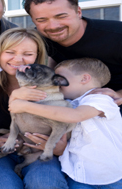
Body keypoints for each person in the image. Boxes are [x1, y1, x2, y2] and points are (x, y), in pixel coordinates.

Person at [9, 58, 122, 188]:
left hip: (111, 175)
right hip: (78, 174)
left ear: (84, 79)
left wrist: (25, 106)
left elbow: (76, 116)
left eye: (61, 81)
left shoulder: (101, 99)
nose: (57, 84)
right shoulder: (70, 103)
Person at [0, 27, 69, 189]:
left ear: (37, 56)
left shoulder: (50, 83)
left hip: (39, 152)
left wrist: (62, 146)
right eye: (10, 52)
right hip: (1, 152)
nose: (18, 59)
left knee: (45, 183)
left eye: (28, 54)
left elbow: (68, 119)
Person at [23, 0, 122, 108]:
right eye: (42, 20)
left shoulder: (117, 35)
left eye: (61, 16)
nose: (53, 26)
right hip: (67, 106)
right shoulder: (38, 41)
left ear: (78, 12)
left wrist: (119, 95)